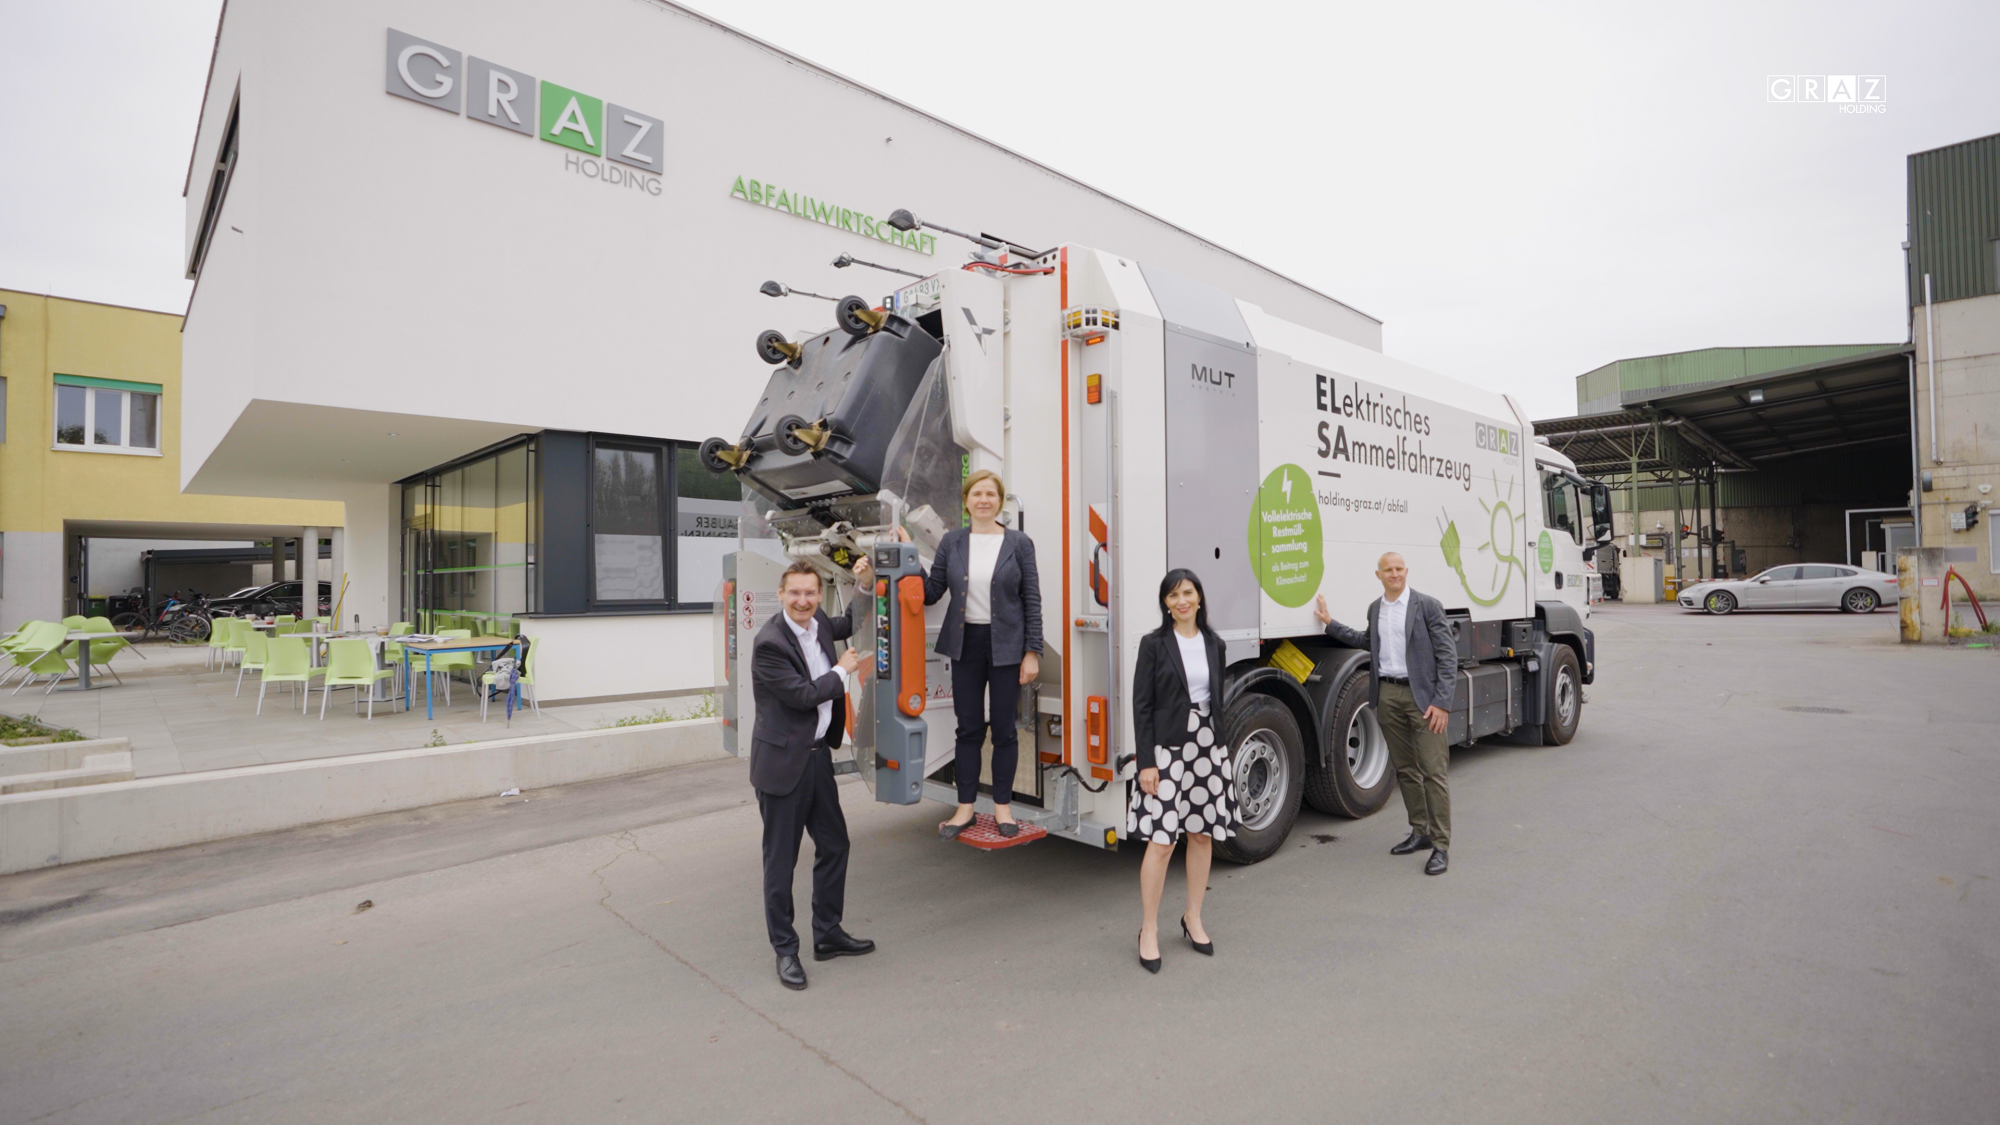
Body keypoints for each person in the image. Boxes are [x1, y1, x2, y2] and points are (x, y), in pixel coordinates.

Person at [750, 559, 876, 990]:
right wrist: (844, 670)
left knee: (835, 844)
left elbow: (848, 622)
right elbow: (804, 696)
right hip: (783, 766)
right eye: (794, 594)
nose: (803, 601)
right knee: (780, 863)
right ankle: (786, 951)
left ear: (818, 595)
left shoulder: (819, 621)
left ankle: (828, 933)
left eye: (810, 593)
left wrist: (862, 584)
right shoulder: (769, 643)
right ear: (782, 594)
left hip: (818, 758)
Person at [903, 470, 1043, 839]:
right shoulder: (952, 542)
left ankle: (1002, 809)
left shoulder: (1019, 543)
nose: (984, 500)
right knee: (967, 729)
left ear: (1000, 501)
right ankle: (965, 809)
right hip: (965, 644)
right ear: (966, 501)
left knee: (1004, 730)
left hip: (1007, 646)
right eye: (976, 494)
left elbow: (1032, 599)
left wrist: (1032, 652)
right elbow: (932, 592)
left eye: (991, 494)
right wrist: (907, 554)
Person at [1313, 552, 1458, 876]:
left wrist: (1442, 702)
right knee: (1405, 769)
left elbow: (1448, 657)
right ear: (1377, 575)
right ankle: (1419, 831)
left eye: (1399, 569)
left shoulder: (1427, 606)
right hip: (1388, 695)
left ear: (1406, 571)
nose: (1394, 574)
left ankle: (1440, 845)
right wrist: (1330, 624)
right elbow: (1368, 642)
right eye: (1387, 570)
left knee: (1433, 772)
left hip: (1423, 698)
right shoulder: (1376, 609)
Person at [1129, 569, 1236, 972]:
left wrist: (1221, 748)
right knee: (1161, 841)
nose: (1181, 600)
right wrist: (1146, 762)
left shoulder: (1215, 643)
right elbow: (1141, 705)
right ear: (1165, 603)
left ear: (1199, 598)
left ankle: (1193, 917)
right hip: (1168, 749)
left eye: (1188, 592)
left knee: (1202, 835)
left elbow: (1217, 698)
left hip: (1207, 746)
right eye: (1173, 595)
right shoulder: (1154, 644)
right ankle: (1149, 929)